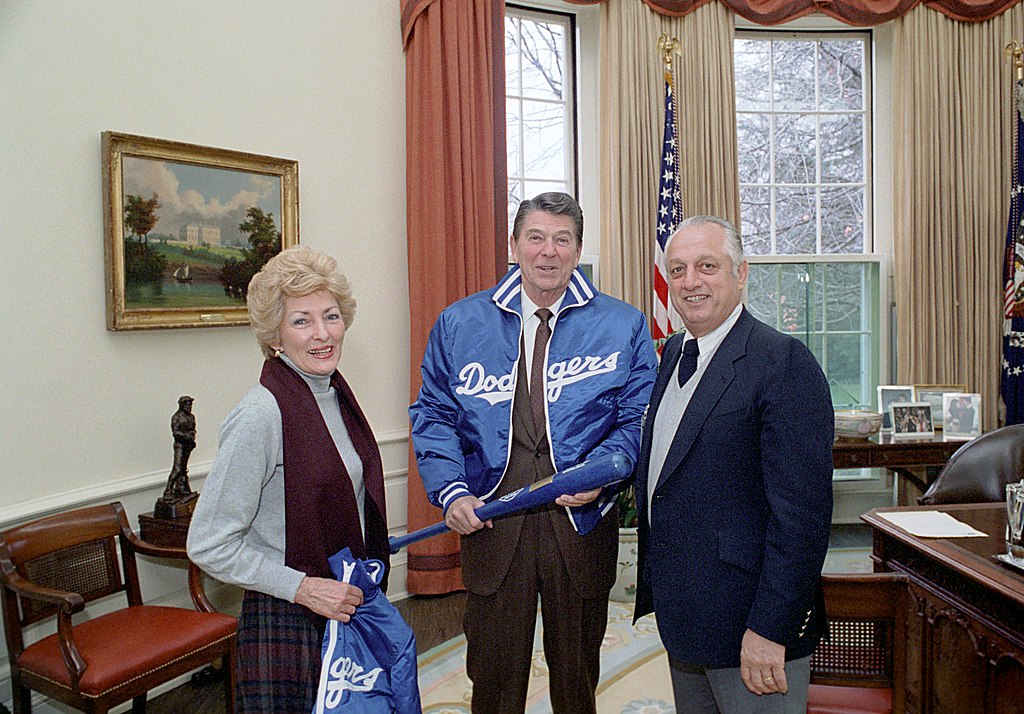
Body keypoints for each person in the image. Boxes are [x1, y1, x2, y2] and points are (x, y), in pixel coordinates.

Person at [410, 192, 658, 712]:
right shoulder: (460, 323)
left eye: (562, 239)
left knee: (577, 681)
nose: (548, 252)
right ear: (514, 244)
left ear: (578, 248)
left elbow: (638, 419)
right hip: (493, 528)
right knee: (494, 681)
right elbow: (434, 415)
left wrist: (603, 476)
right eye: (536, 237)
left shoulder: (624, 324)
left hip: (582, 525)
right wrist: (452, 491)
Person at [634, 216, 833, 713]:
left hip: (752, 629)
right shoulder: (674, 352)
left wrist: (771, 628)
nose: (690, 282)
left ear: (741, 274)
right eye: (677, 269)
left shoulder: (783, 362)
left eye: (707, 266)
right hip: (687, 622)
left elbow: (802, 518)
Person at [188, 246, 390, 713]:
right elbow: (208, 543)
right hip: (287, 617)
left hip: (340, 606)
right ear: (274, 336)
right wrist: (303, 587)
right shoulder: (260, 413)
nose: (322, 334)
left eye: (331, 316)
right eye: (302, 321)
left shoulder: (336, 395)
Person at [163, 395, 196, 500]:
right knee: (177, 469)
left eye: (190, 405)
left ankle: (182, 488)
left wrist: (192, 438)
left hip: (188, 445)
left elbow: (193, 430)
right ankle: (168, 490)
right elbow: (176, 433)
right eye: (187, 405)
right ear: (182, 405)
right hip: (180, 446)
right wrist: (186, 436)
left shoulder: (191, 417)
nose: (189, 407)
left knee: (183, 469)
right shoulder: (176, 417)